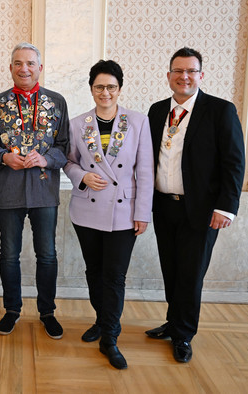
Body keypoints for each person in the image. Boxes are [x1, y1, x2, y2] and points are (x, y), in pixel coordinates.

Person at [146, 47, 245, 363]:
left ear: (201, 75)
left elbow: (234, 162)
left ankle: (183, 335)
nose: (184, 76)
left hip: (202, 211)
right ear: (168, 75)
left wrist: (226, 206)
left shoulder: (220, 110)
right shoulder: (157, 110)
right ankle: (174, 322)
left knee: (190, 274)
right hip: (164, 206)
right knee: (171, 270)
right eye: (178, 71)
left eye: (191, 71)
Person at [64, 60, 154, 369]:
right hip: (87, 208)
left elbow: (145, 171)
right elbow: (68, 161)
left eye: (111, 87)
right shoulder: (77, 124)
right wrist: (82, 176)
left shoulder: (138, 122)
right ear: (91, 89)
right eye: (99, 86)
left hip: (124, 211)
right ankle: (102, 321)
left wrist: (143, 213)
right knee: (94, 271)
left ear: (119, 89)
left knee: (114, 275)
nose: (105, 92)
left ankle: (110, 337)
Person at [0, 42, 69, 339]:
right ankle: (12, 310)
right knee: (9, 254)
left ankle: (47, 312)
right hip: (9, 189)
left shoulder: (57, 102)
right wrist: (3, 157)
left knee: (47, 255)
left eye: (30, 63)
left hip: (44, 190)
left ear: (40, 68)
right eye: (18, 63)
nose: (24, 69)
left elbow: (64, 147)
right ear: (10, 68)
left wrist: (46, 158)